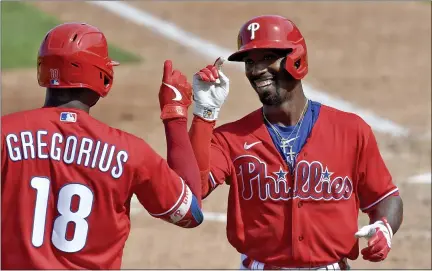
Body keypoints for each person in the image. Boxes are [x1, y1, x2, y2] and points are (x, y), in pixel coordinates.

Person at [188, 15, 403, 270]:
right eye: (249, 62)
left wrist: (384, 227)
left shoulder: (351, 130)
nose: (256, 71)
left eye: (268, 58)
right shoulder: (231, 138)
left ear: (296, 59)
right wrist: (204, 115)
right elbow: (193, 189)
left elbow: (385, 198)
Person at [1, 22, 203, 269]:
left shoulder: (5, 132)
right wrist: (175, 115)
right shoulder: (130, 152)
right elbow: (191, 213)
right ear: (102, 75)